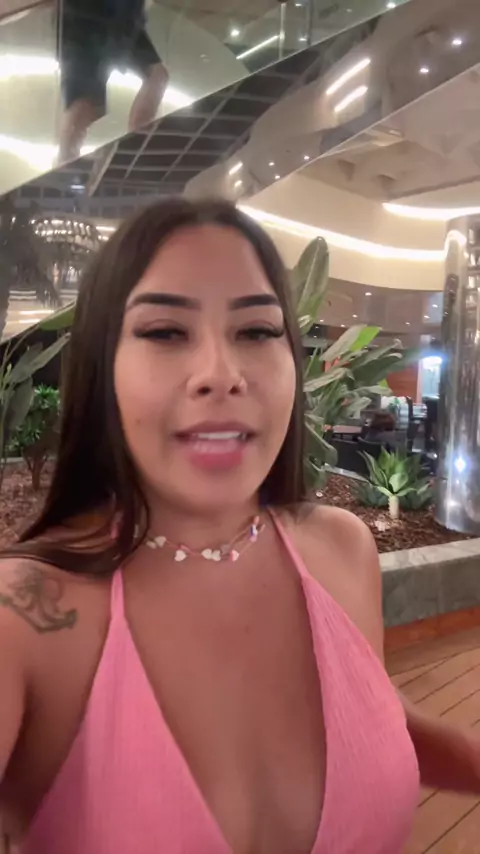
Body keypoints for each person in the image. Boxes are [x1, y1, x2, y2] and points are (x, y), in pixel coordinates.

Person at [1, 199, 480, 854]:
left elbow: (375, 718)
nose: (221, 376)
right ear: (100, 368)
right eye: (165, 332)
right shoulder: (24, 620)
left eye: (256, 331)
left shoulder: (341, 548)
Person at [58, 0, 169, 163]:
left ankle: (134, 148)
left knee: (158, 76)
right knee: (84, 103)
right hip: (90, 16)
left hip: (123, 17)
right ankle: (65, 162)